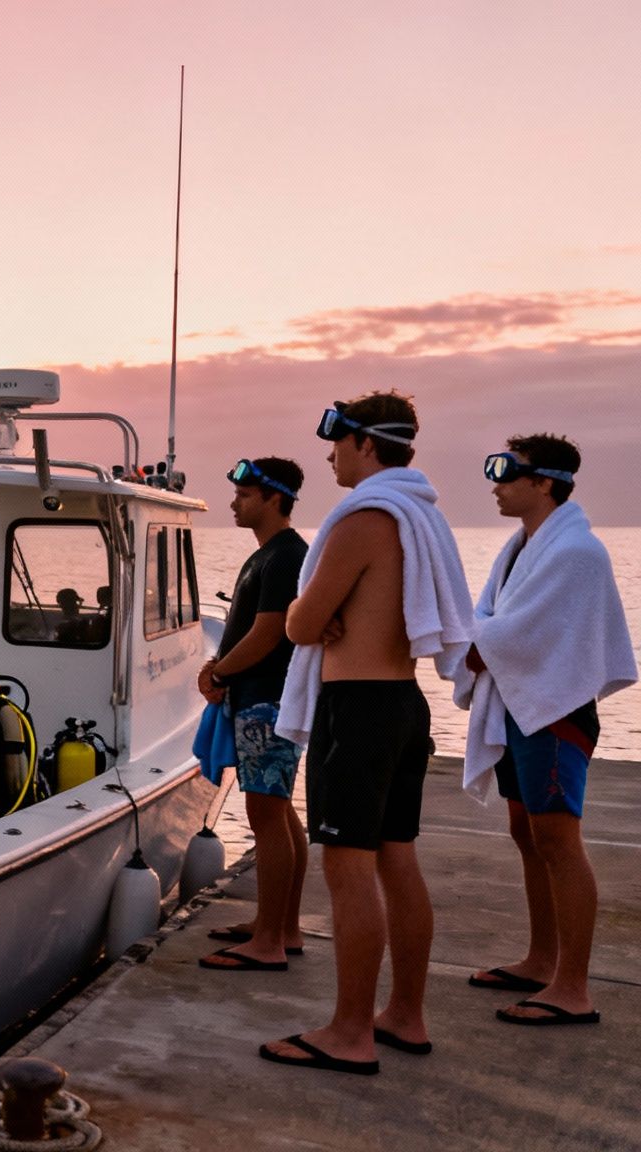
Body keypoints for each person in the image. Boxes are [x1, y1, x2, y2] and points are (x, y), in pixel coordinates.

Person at [259, 393, 474, 1075]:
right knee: (397, 860)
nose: (328, 455)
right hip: (404, 704)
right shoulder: (418, 516)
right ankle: (404, 1016)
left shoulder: (364, 519)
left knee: (346, 868)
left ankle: (350, 1032)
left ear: (364, 444)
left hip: (356, 709)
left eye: (337, 442)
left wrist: (309, 615)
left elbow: (298, 624)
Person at [457, 435, 633, 1025]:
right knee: (525, 831)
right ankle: (541, 959)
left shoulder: (577, 551)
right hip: (518, 703)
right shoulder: (520, 546)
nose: (496, 483)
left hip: (554, 710)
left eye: (507, 472)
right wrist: (478, 641)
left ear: (544, 482)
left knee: (558, 839)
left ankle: (573, 988)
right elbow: (495, 619)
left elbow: (520, 631)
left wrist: (474, 645)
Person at [198, 457, 310, 973]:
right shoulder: (267, 556)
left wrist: (219, 673)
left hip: (268, 701)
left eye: (244, 495)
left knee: (266, 815)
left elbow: (268, 633)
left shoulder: (286, 556)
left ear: (272, 497)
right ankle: (282, 928)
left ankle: (268, 941)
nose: (234, 503)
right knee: (280, 812)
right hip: (263, 699)